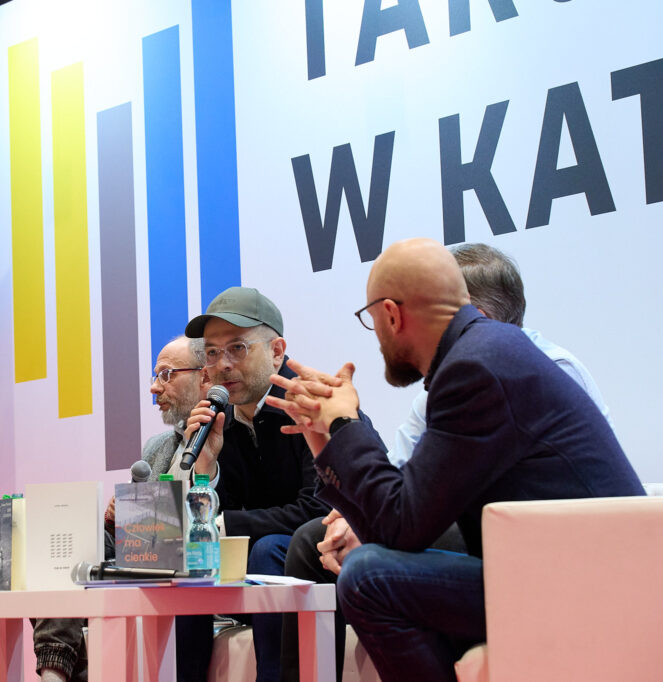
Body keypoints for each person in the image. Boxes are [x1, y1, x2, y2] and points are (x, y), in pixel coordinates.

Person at [267, 238, 644, 682]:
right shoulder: (481, 353)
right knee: (365, 562)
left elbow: (401, 526)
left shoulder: (477, 367)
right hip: (555, 570)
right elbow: (397, 523)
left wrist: (346, 423)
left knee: (370, 576)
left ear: (391, 314)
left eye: (371, 321)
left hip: (587, 586)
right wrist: (323, 435)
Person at [34, 336, 208, 682]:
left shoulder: (223, 438)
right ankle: (52, 672)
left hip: (190, 563)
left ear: (204, 377)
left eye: (166, 375)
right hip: (143, 559)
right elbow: (135, 534)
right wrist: (119, 517)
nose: (154, 388)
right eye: (155, 377)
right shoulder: (157, 446)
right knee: (74, 547)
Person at [181, 286, 331, 682]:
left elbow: (319, 509)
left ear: (277, 351)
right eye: (212, 352)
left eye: (237, 348)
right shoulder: (220, 420)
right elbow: (221, 515)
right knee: (188, 560)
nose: (223, 364)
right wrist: (207, 469)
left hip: (326, 562)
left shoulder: (311, 405)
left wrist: (225, 524)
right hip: (251, 574)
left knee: (268, 550)